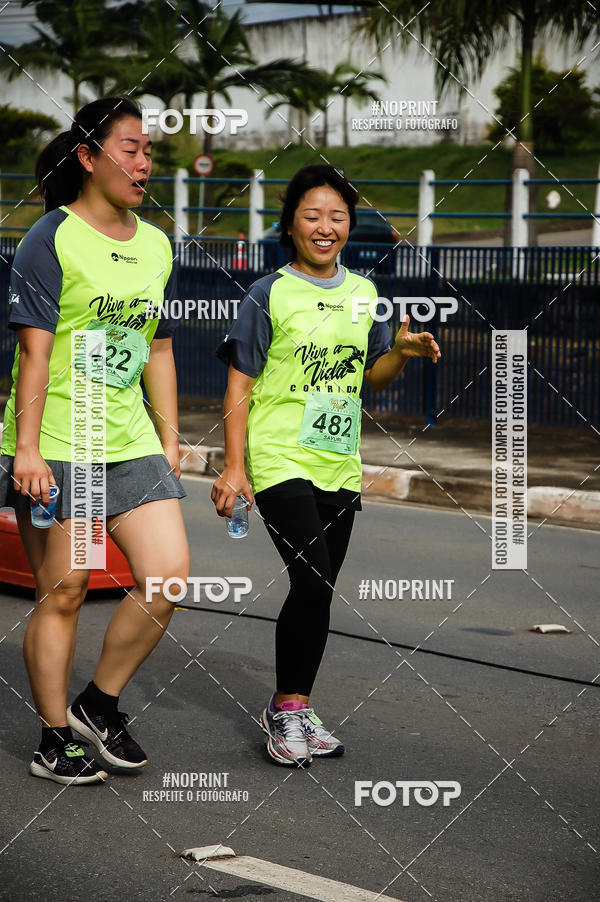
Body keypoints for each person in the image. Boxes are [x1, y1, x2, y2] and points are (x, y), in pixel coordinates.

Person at [211, 164, 440, 766]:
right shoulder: (267, 293)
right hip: (280, 453)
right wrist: (234, 466)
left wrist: (403, 353)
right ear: (290, 225)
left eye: (336, 216)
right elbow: (239, 381)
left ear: (349, 226)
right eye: (312, 215)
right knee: (311, 579)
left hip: (338, 461)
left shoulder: (364, 294)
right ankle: (287, 714)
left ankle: (296, 706)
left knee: (319, 590)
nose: (325, 226)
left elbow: (371, 374)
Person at [0, 97, 190, 785]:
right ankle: (55, 737)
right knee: (68, 588)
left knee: (166, 576)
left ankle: (98, 703)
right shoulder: (50, 239)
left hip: (132, 439)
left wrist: (169, 438)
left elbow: (159, 350)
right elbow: (35, 355)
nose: (145, 163)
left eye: (149, 151)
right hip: (63, 439)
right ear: (88, 157)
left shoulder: (157, 243)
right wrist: (26, 450)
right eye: (131, 148)